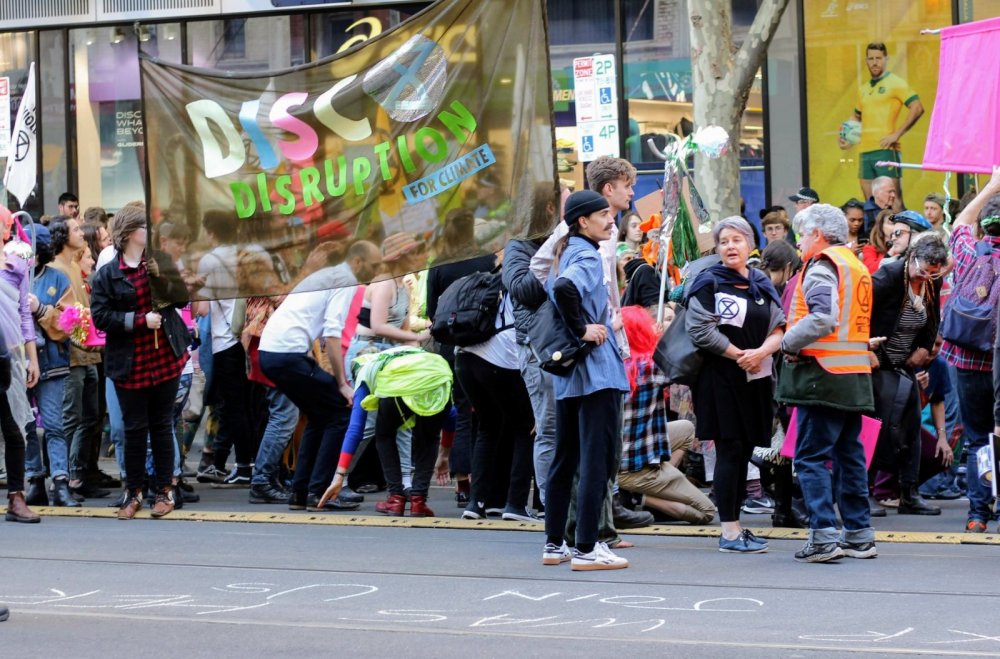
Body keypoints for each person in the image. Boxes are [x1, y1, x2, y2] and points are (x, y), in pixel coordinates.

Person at [778, 203, 876, 563]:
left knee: (810, 457)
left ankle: (822, 538)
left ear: (817, 234)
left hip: (823, 373)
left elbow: (822, 316)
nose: (800, 243)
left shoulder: (822, 265)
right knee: (850, 455)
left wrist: (788, 343)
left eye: (802, 235)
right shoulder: (855, 265)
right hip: (853, 374)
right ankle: (859, 536)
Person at [541, 190, 631, 571]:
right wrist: (585, 328)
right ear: (583, 221)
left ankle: (554, 544)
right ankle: (588, 547)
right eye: (603, 215)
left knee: (565, 459)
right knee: (598, 459)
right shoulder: (587, 255)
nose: (611, 221)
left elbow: (558, 288)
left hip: (570, 376)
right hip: (597, 372)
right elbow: (566, 290)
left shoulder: (566, 252)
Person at [686, 217, 785, 553]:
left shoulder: (760, 282)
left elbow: (779, 326)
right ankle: (729, 531)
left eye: (737, 240)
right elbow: (700, 329)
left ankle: (738, 527)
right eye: (724, 241)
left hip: (756, 379)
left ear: (749, 244)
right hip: (721, 380)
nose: (730, 246)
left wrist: (760, 352)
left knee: (744, 452)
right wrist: (738, 354)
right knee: (729, 450)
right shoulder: (708, 282)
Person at [258, 241, 381, 511]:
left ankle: (301, 493)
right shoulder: (345, 279)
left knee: (320, 415)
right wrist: (341, 383)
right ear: (358, 262)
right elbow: (333, 334)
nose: (377, 270)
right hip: (286, 353)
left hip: (273, 352)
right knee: (340, 412)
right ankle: (319, 491)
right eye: (374, 265)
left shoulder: (327, 274)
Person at [91, 206, 191, 520]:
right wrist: (138, 320)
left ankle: (164, 491)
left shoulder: (160, 261)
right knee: (133, 429)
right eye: (144, 226)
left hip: (165, 357)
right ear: (130, 232)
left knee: (162, 426)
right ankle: (133, 492)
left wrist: (164, 280)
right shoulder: (108, 273)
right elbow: (100, 317)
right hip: (129, 362)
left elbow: (182, 299)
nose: (149, 231)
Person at [318, 346, 455, 517]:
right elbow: (452, 415)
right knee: (429, 437)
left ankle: (395, 499)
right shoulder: (403, 355)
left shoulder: (365, 369)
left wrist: (339, 475)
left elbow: (355, 429)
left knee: (384, 434)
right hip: (438, 377)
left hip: (399, 389)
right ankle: (418, 502)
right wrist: (444, 456)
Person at [869, 233, 948, 515]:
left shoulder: (931, 283)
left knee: (911, 423)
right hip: (877, 360)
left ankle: (909, 493)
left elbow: (933, 319)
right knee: (874, 424)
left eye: (932, 273)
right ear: (912, 257)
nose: (925, 277)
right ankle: (864, 491)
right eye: (922, 270)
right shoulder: (887, 277)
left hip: (906, 362)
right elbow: (861, 313)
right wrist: (866, 350)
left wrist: (925, 349)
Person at [940, 165, 1000, 533]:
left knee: (977, 437)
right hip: (999, 362)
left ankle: (978, 512)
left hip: (967, 359)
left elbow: (959, 223)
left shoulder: (966, 252)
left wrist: (992, 186)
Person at [617, 306, 716, 524]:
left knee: (686, 429)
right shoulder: (648, 366)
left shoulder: (613, 364)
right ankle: (640, 496)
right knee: (707, 512)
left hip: (622, 454)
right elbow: (682, 365)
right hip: (635, 467)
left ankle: (659, 482)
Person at [456, 270, 537, 522]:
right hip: (499, 357)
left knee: (488, 427)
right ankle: (515, 504)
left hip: (463, 356)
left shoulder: (479, 281)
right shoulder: (520, 281)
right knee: (527, 427)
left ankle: (477, 502)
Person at [503, 182, 564, 513]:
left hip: (571, 344)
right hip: (538, 346)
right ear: (550, 209)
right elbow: (522, 290)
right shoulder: (518, 245)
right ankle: (551, 506)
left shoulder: (572, 241)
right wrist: (552, 251)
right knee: (549, 428)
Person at [48, 218, 108, 500]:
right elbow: (62, 318)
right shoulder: (55, 270)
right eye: (74, 229)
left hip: (89, 354)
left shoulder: (75, 266)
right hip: (71, 357)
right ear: (62, 236)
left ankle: (79, 473)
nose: (81, 233)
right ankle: (66, 477)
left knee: (90, 417)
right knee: (71, 418)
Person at [841, 42, 924, 202]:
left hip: (886, 150)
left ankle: (901, 227)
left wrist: (897, 134)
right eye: (871, 58)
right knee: (870, 204)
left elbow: (917, 107)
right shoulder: (863, 89)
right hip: (865, 152)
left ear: (886, 59)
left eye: (878, 58)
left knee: (893, 201)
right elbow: (856, 116)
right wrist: (846, 137)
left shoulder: (895, 83)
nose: (874, 62)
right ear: (866, 61)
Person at [861, 208, 895, 273]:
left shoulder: (901, 247)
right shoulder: (870, 248)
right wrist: (890, 253)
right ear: (881, 226)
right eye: (891, 223)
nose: (895, 227)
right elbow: (871, 270)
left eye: (897, 224)